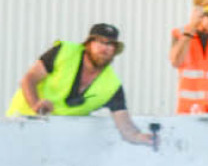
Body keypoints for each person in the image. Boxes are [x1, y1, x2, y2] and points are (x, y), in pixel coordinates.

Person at [7, 24, 157, 147]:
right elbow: (29, 79)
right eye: (99, 42)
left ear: (115, 50)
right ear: (88, 44)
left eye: (110, 44)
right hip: (23, 126)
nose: (104, 48)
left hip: (56, 140)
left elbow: (124, 124)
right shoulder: (63, 52)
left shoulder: (112, 85)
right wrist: (36, 104)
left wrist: (139, 136)